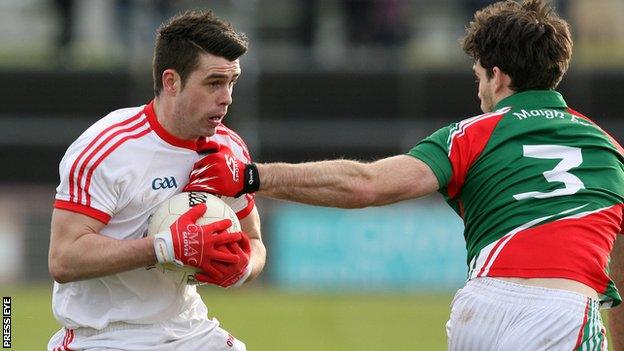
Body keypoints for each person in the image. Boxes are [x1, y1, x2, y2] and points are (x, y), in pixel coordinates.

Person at [184, 0, 624, 349]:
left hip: (481, 313)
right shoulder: (609, 150)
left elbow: (366, 184)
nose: (478, 91)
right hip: (564, 311)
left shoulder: (469, 135)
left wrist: (252, 176)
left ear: (497, 75)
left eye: (478, 77)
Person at [47, 10, 265, 351]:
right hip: (104, 335)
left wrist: (242, 267)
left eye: (232, 82)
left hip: (188, 328)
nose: (227, 97)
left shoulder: (228, 147)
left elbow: (254, 241)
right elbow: (64, 258)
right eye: (213, 83)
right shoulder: (108, 148)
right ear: (171, 82)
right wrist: (165, 247)